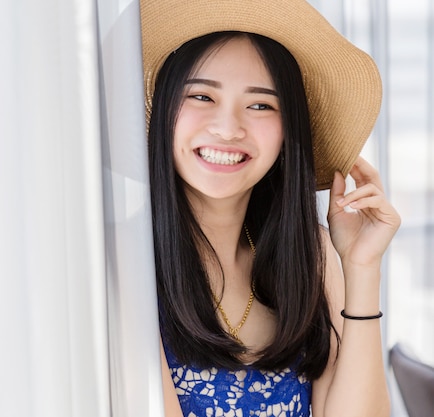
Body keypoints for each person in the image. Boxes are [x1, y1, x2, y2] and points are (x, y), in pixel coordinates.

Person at [140, 0, 401, 416]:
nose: (228, 128)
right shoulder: (126, 260)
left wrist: (362, 269)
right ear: (165, 105)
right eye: (202, 95)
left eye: (261, 104)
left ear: (288, 130)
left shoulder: (307, 255)